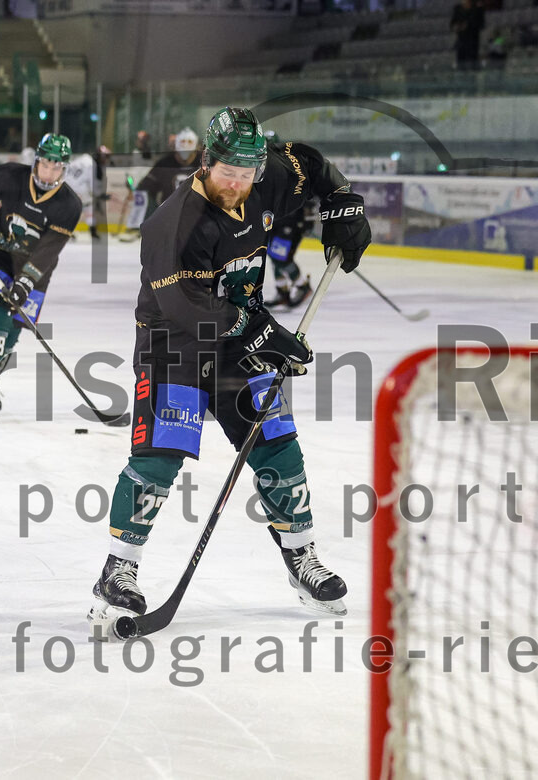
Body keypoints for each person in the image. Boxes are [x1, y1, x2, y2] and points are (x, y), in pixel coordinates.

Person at [88, 106, 371, 629]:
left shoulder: (264, 176)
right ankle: (117, 570)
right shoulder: (171, 225)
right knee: (158, 459)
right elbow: (187, 309)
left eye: (247, 175)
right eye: (228, 174)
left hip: (241, 338)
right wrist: (264, 332)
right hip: (174, 344)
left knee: (278, 445)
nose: (238, 185)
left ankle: (301, 558)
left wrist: (343, 203)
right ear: (205, 162)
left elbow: (309, 162)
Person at [0, 133, 82, 418]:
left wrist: (25, 283)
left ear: (64, 168)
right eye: (46, 164)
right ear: (37, 161)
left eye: (57, 166)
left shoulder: (69, 205)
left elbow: (47, 251)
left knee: (12, 331)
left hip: (36, 271)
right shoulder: (10, 176)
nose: (49, 173)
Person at [120, 127, 201, 240]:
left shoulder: (206, 163)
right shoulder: (164, 163)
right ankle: (136, 228)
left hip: (199, 218)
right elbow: (145, 188)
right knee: (142, 195)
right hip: (169, 218)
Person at [266, 195, 316, 309]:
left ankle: (302, 285)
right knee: (274, 256)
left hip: (292, 221)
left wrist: (307, 216)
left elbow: (310, 193)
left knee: (280, 258)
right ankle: (282, 292)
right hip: (277, 218)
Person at [450, 0, 484, 71]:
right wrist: (457, 27)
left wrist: (467, 25)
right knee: (461, 63)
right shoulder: (457, 8)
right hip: (461, 40)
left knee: (473, 63)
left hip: (473, 41)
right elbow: (452, 23)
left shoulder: (477, 9)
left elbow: (481, 24)